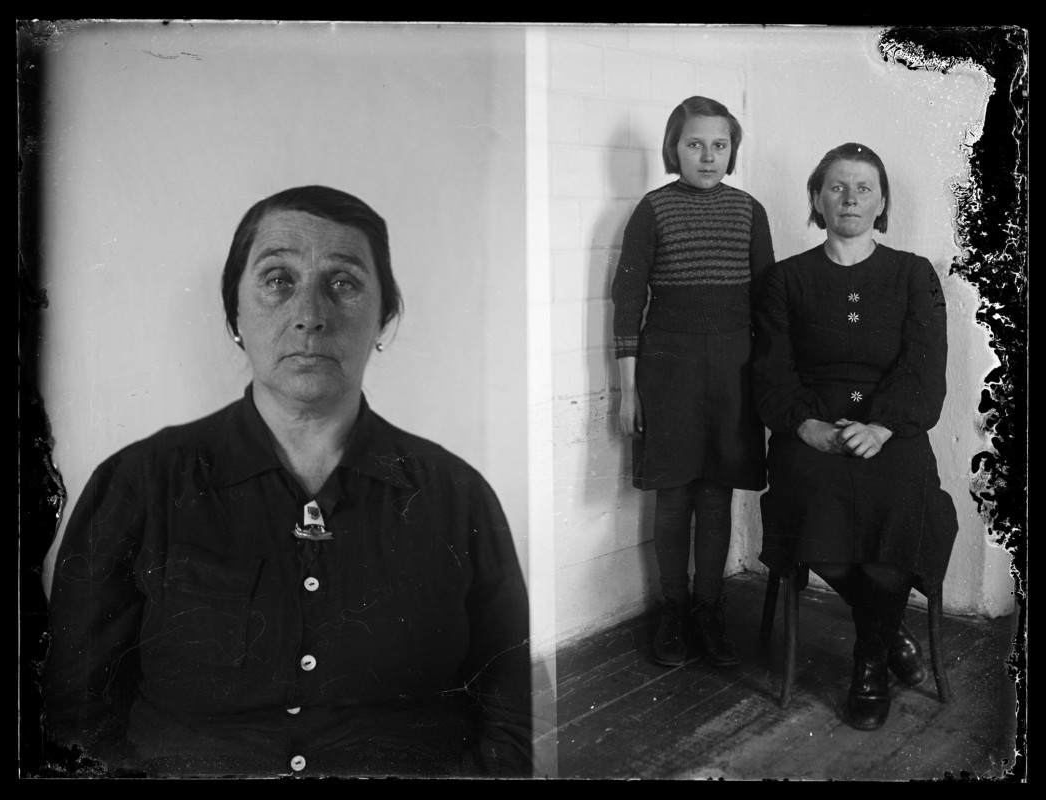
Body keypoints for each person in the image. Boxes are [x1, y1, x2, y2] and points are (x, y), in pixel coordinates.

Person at [43, 186, 533, 777]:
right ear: (235, 317)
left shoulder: (457, 496)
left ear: (385, 317)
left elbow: (514, 714)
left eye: (343, 282)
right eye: (278, 280)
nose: (310, 315)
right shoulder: (138, 484)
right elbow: (77, 721)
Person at [752, 143, 959, 731]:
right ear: (817, 199)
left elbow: (924, 365)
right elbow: (771, 370)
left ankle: (868, 663)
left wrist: (883, 426)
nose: (850, 199)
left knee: (899, 495)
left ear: (882, 201)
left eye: (864, 188)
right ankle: (889, 633)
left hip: (891, 431)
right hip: (810, 429)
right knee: (810, 498)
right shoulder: (784, 279)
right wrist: (805, 425)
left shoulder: (914, 274)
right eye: (837, 187)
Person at [611, 96, 774, 668]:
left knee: (716, 493)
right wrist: (628, 390)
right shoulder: (652, 210)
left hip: (733, 372)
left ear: (732, 151)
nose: (708, 156)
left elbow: (767, 306)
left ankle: (709, 606)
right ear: (674, 148)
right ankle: (674, 610)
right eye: (695, 144)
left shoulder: (749, 211)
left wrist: (767, 384)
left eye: (719, 145)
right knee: (674, 494)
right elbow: (627, 300)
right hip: (667, 370)